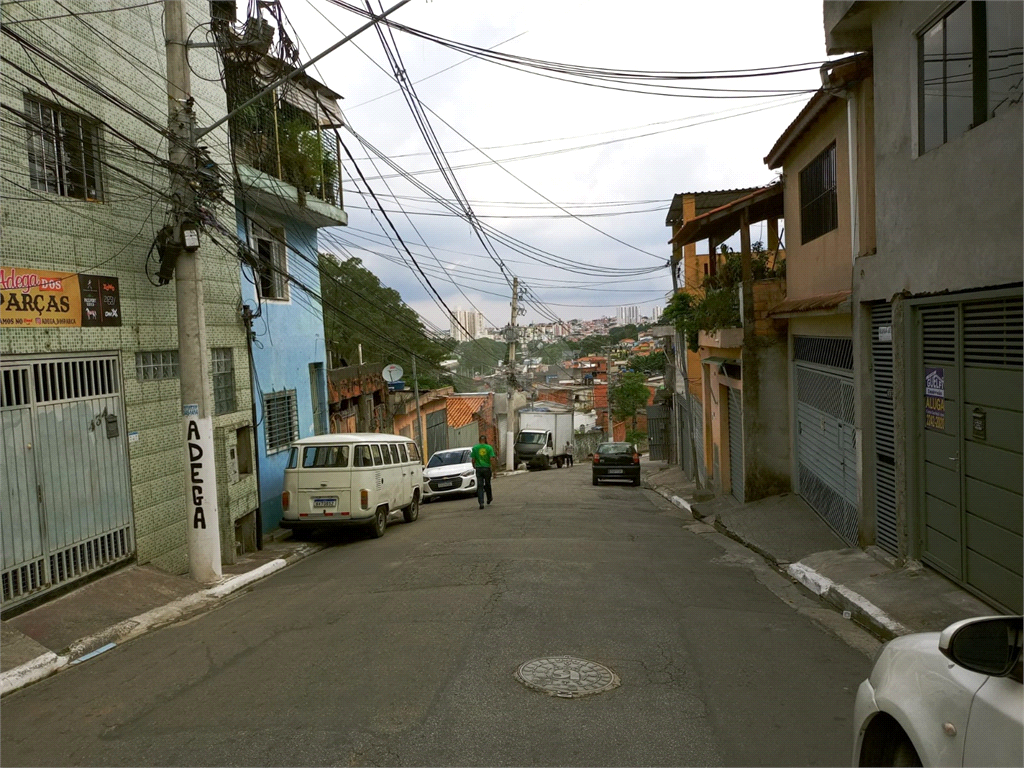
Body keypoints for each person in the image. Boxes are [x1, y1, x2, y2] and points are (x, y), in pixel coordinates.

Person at [471, 435, 496, 509]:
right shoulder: (489, 448)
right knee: (488, 484)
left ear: (479, 440)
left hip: (479, 469)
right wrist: (494, 470)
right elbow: (492, 459)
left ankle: (481, 502)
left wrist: (474, 466)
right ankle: (489, 498)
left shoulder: (475, 448)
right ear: (485, 440)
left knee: (480, 486)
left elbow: (473, 459)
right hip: (487, 468)